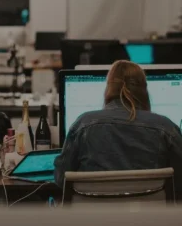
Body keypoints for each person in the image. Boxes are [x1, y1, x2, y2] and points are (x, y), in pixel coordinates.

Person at [54, 60, 182, 187]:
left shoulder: (83, 124)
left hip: (94, 207)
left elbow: (61, 179)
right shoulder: (166, 128)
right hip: (151, 207)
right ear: (144, 90)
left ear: (109, 88)